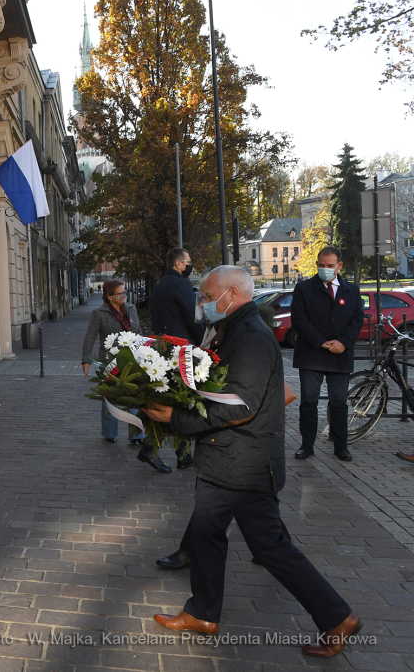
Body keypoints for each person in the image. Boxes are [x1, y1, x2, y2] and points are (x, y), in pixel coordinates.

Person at [143, 266, 360, 658]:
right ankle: (202, 613)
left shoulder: (252, 337)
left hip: (245, 464)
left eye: (207, 296)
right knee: (207, 537)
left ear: (231, 294)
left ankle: (337, 617)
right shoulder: (233, 330)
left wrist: (176, 420)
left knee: (272, 546)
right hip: (225, 461)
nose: (203, 303)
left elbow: (240, 405)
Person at [290, 247, 364, 462]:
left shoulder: (351, 290)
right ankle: (307, 445)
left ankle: (341, 446)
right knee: (308, 401)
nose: (325, 269)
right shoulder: (304, 288)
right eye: (321, 265)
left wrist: (344, 342)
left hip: (340, 354)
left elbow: (357, 318)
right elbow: (299, 320)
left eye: (330, 266)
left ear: (339, 266)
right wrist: (322, 342)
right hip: (312, 354)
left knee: (339, 402)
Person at [149, 247, 205, 470]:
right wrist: (203, 344)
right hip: (182, 349)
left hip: (163, 348)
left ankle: (154, 448)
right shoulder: (180, 284)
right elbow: (194, 318)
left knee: (171, 399)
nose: (190, 265)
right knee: (184, 400)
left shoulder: (160, 285)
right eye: (188, 261)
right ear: (178, 264)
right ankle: (182, 455)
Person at [81, 280, 146, 449]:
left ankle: (137, 434)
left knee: (135, 396)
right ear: (110, 297)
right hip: (109, 362)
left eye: (124, 293)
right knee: (110, 397)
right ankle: (110, 432)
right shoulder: (99, 313)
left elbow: (138, 332)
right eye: (119, 294)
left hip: (132, 360)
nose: (124, 296)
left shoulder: (131, 309)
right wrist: (86, 359)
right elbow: (90, 336)